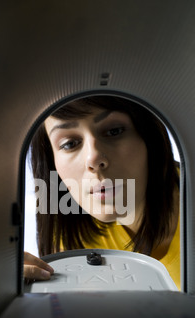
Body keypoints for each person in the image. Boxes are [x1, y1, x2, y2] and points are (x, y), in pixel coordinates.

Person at [24, 95, 180, 289]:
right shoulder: (71, 228)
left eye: (114, 131)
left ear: (149, 136)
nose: (93, 157)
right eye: (70, 144)